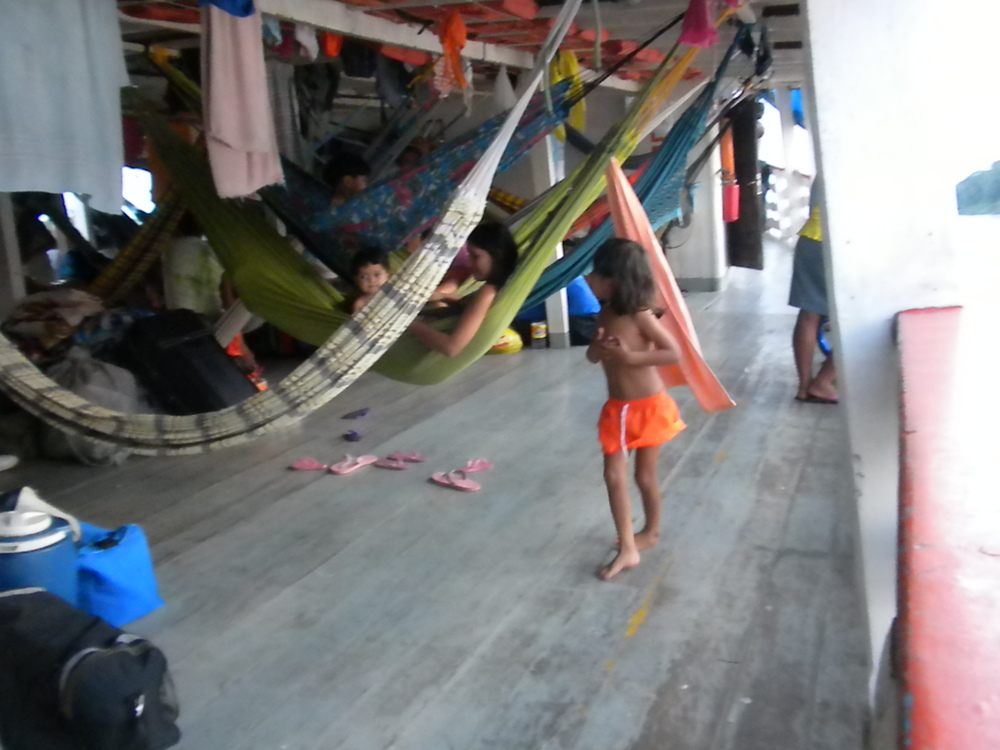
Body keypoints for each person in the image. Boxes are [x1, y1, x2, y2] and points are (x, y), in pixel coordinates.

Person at [585, 238, 686, 581]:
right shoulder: (606, 311)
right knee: (615, 475)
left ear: (612, 279)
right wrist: (598, 349)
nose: (589, 279)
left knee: (643, 476)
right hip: (621, 410)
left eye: (594, 274)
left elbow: (673, 352)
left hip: (649, 406)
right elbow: (591, 357)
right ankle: (629, 545)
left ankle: (649, 534)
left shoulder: (641, 315)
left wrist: (631, 358)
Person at [407, 221, 518, 358]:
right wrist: (444, 297)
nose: (469, 263)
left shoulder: (487, 292)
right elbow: (474, 306)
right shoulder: (501, 285)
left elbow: (451, 348)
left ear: (497, 255)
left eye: (475, 256)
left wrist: (409, 323)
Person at [789, 175, 838, 404]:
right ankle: (824, 381)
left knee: (809, 314)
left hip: (810, 238)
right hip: (838, 242)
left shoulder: (825, 166)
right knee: (858, 317)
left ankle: (804, 385)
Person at [350, 245, 391, 313]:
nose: (371, 280)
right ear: (357, 281)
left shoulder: (395, 294)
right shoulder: (360, 304)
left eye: (376, 275)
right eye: (364, 276)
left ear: (388, 276)